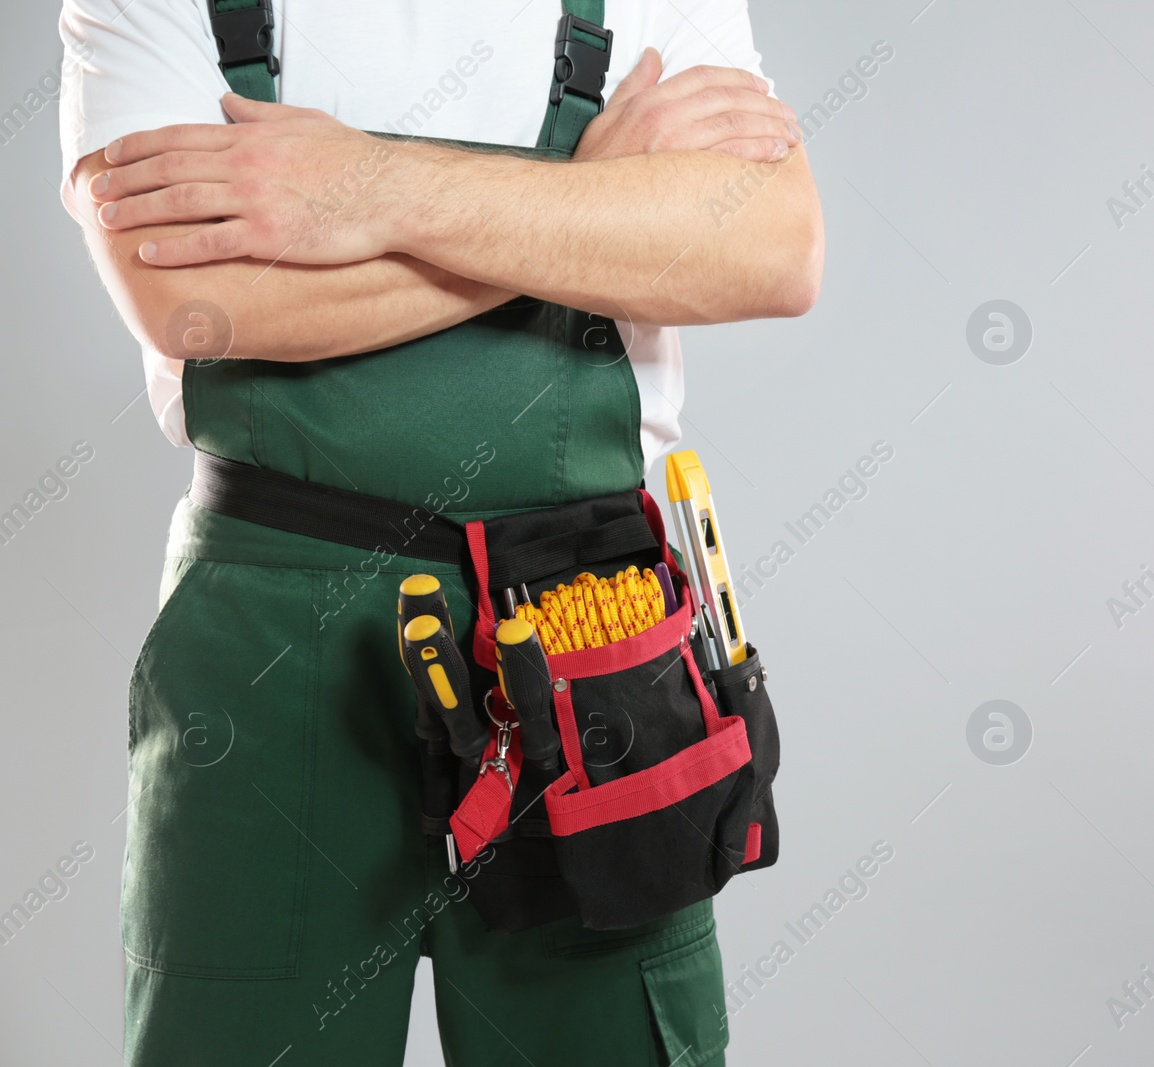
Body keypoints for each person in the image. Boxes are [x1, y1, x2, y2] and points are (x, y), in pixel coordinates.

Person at [56, 0, 822, 1063]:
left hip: (583, 635)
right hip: (271, 638)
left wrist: (366, 192)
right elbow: (192, 304)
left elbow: (773, 249)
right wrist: (586, 202)